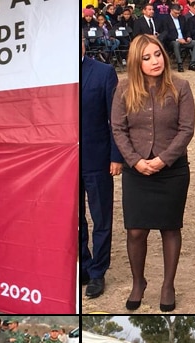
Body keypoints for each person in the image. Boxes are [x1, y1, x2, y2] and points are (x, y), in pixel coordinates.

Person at [111, 33, 195, 312]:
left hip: (172, 170)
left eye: (157, 54)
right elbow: (118, 129)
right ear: (137, 62)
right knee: (136, 230)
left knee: (170, 228)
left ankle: (168, 285)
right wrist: (135, 161)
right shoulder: (124, 88)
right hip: (136, 170)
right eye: (146, 57)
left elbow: (186, 129)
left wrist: (163, 160)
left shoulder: (180, 86)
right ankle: (139, 282)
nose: (155, 61)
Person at [80, 39, 123, 302]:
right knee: (74, 220)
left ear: (83, 43)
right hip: (64, 163)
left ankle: (98, 271)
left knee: (101, 218)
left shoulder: (104, 72)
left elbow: (115, 119)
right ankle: (84, 265)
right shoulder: (55, 74)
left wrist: (116, 156)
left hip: (98, 158)